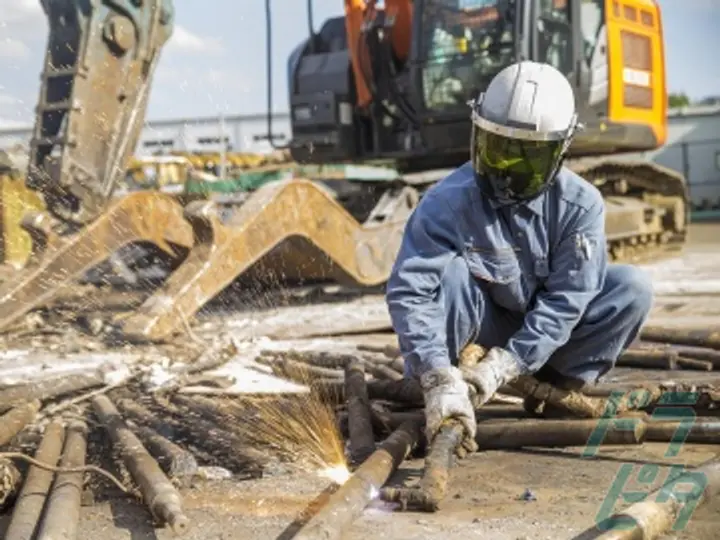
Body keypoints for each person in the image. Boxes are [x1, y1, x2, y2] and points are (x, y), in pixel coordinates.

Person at [385, 60, 653, 453]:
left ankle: (554, 390)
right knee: (452, 274)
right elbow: (411, 292)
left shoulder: (580, 206)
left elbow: (567, 300)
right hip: (479, 334)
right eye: (498, 151)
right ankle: (446, 389)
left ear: (561, 150)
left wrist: (506, 366)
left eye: (527, 159)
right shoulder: (447, 201)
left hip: (550, 346)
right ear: (478, 133)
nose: (506, 173)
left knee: (632, 287)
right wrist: (436, 372)